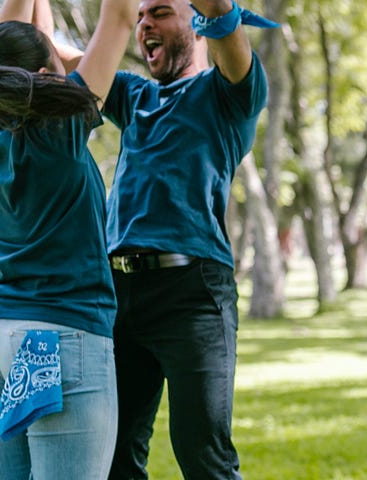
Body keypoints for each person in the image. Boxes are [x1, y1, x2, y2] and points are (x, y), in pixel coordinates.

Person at [0, 0, 136, 476]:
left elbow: (13, 36)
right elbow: (118, 16)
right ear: (41, 75)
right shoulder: (60, 126)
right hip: (55, 337)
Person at [97, 0, 273, 477]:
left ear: (196, 26)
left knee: (202, 453)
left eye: (159, 13)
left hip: (191, 292)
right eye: (139, 18)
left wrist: (218, 12)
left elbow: (228, 32)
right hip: (118, 294)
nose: (144, 25)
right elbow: (65, 58)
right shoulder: (133, 96)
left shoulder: (225, 95)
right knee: (113, 453)